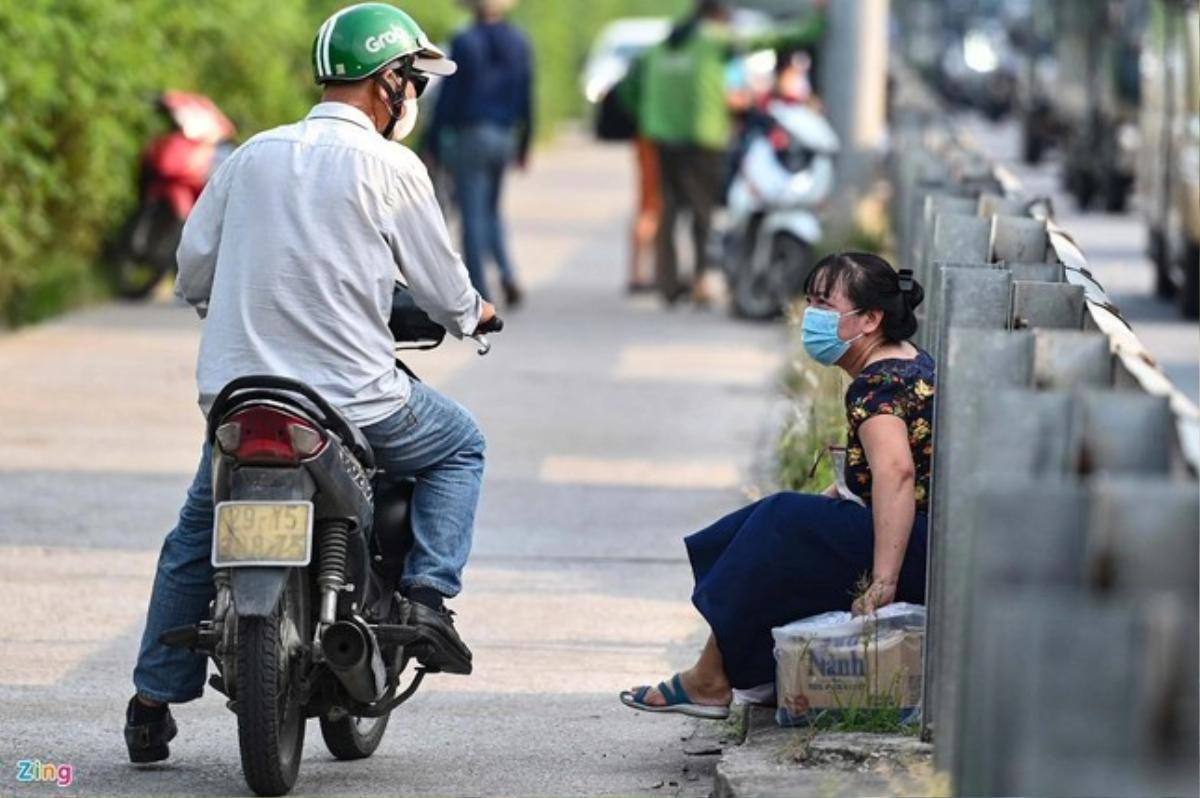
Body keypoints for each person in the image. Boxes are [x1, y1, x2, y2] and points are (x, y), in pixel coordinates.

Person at [125, 2, 498, 764]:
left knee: (195, 537)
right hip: (355, 402)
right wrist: (473, 315)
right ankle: (426, 600)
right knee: (461, 445)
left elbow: (193, 269)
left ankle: (149, 705)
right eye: (413, 79)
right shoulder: (391, 167)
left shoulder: (251, 156)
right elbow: (443, 283)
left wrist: (223, 304)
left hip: (241, 399)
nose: (415, 96)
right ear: (387, 82)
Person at [620, 252, 934, 718]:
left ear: (870, 319)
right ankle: (746, 671)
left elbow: (898, 474)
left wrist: (882, 581)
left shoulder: (876, 387)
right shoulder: (908, 363)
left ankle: (710, 680)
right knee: (770, 522)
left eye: (825, 306)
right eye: (810, 302)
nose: (812, 316)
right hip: (930, 539)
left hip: (917, 550)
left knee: (780, 523)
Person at [639, 0, 825, 307]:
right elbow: (768, 39)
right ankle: (701, 281)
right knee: (702, 212)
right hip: (702, 139)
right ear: (718, 17)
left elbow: (632, 87)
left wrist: (650, 119)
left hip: (662, 136)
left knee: (670, 211)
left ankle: (668, 284)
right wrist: (814, 24)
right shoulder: (712, 39)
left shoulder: (662, 46)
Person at [425, 0, 533, 308]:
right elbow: (526, 93)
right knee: (492, 209)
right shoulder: (519, 40)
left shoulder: (464, 41)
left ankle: (479, 292)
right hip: (505, 136)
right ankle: (508, 273)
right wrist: (525, 143)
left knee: (471, 214)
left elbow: (449, 97)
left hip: (470, 136)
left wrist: (431, 143)